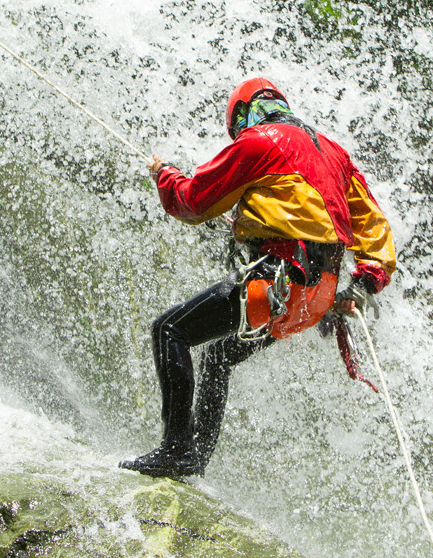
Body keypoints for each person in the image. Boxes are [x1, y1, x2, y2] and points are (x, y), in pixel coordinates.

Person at [121, 77, 396, 478]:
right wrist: (365, 284)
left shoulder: (259, 141)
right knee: (218, 355)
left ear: (242, 115)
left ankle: (176, 451)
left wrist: (164, 174)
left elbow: (193, 201)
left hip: (279, 281)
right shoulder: (334, 153)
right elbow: (374, 228)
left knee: (169, 331)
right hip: (317, 298)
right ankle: (194, 461)